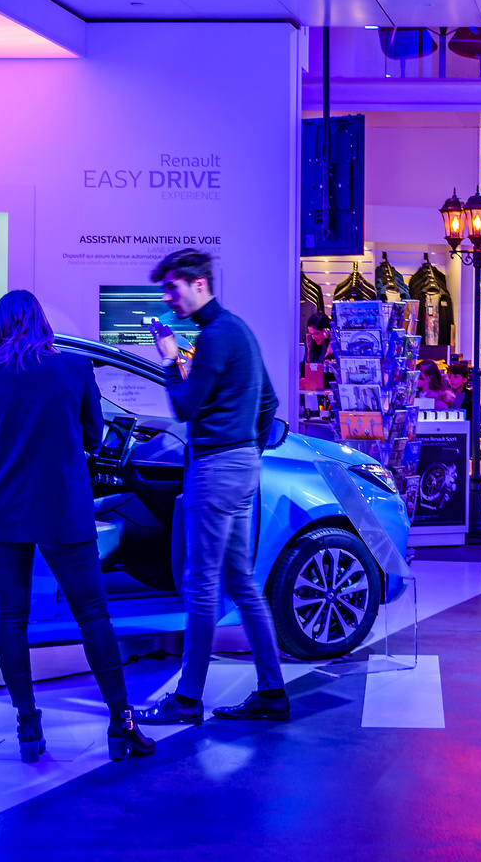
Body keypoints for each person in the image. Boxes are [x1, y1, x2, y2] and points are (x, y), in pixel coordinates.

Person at [0, 290, 155, 762]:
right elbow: (93, 435)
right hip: (62, 505)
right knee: (93, 615)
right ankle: (121, 724)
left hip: (2, 508)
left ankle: (28, 726)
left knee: (11, 617)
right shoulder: (74, 369)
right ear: (41, 322)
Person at [135, 249, 289, 725]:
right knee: (241, 582)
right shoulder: (236, 330)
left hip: (217, 468)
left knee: (202, 586)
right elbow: (269, 404)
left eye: (172, 288)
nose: (168, 298)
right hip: (241, 466)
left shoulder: (215, 337)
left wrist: (168, 358)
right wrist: (248, 452)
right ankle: (272, 691)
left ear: (198, 284)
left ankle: (185, 701)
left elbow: (183, 405)